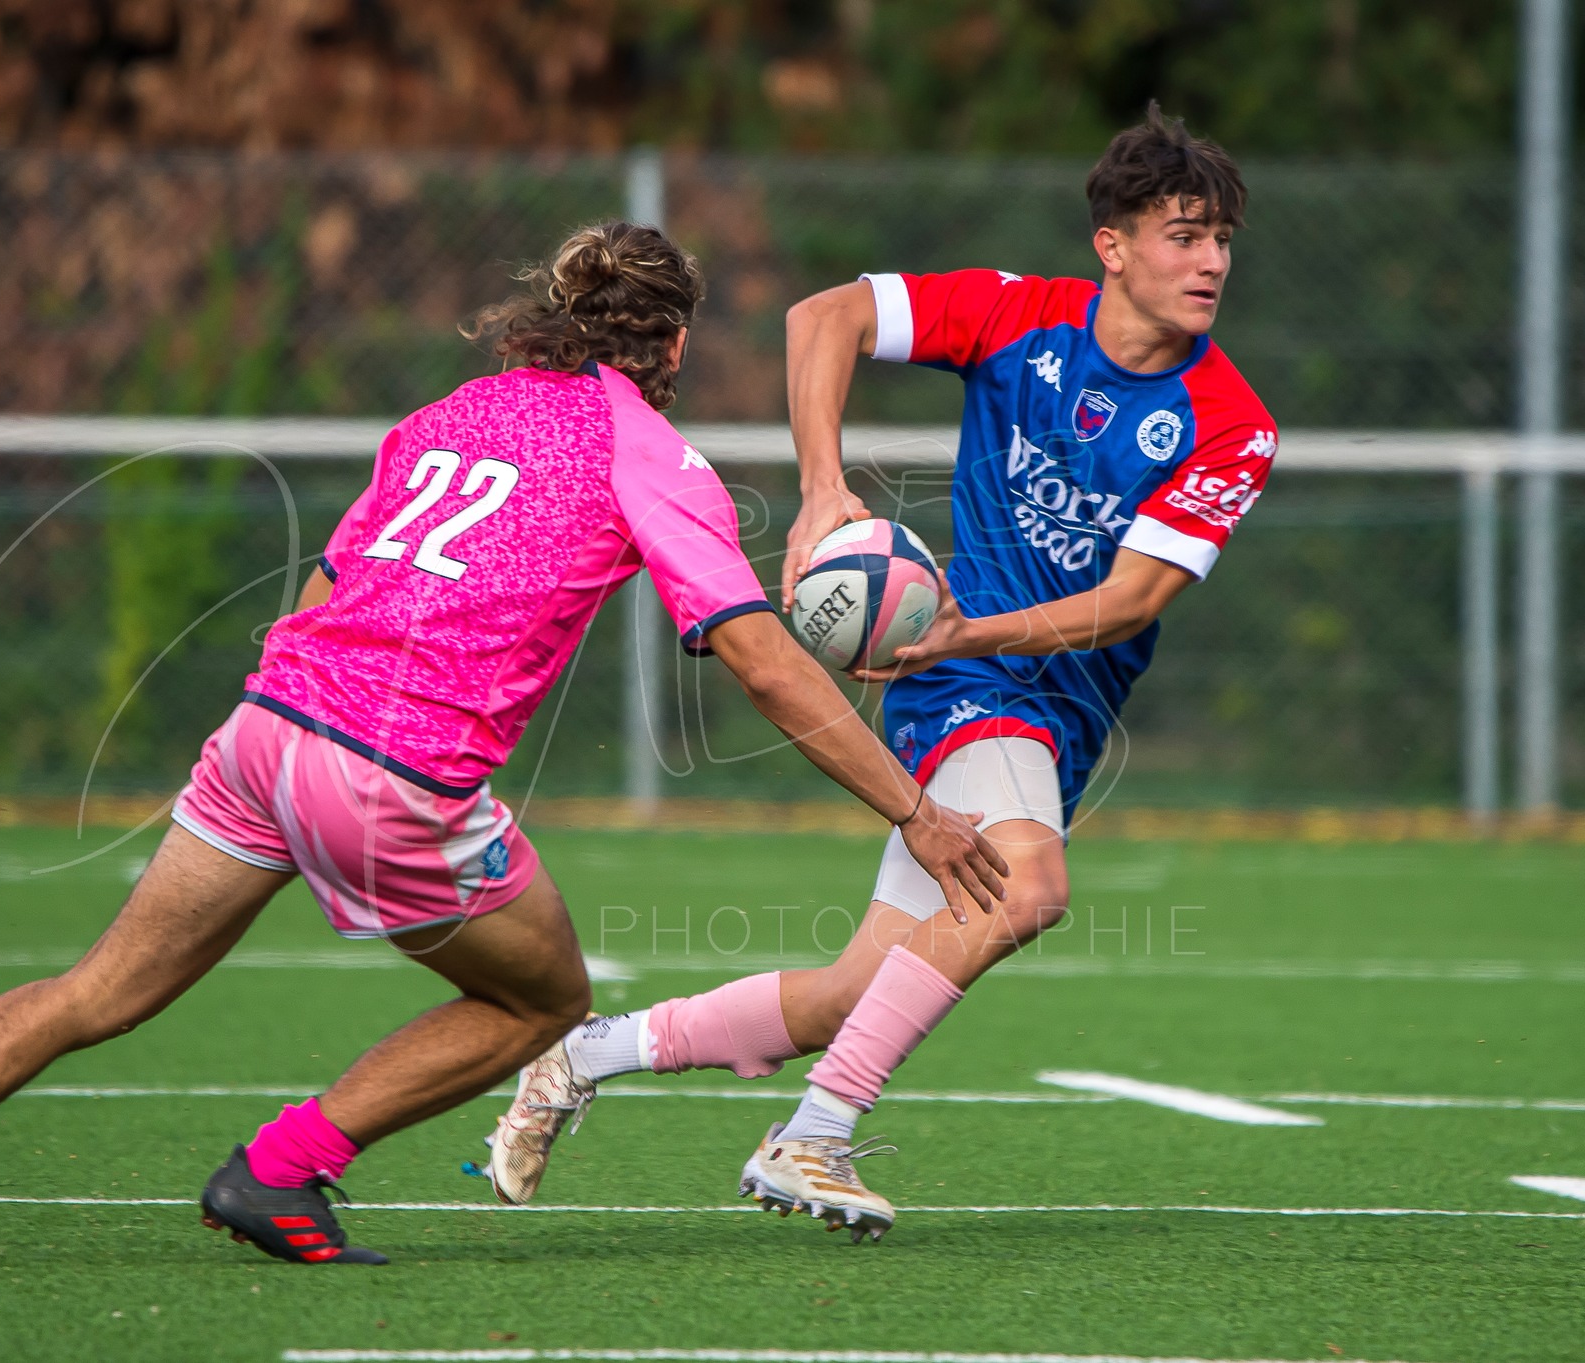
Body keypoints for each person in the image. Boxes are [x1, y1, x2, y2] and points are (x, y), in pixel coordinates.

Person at [0, 222, 1006, 1268]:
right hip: (393, 770)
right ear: (667, 339)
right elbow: (762, 652)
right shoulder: (652, 452)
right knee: (540, 1001)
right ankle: (280, 1168)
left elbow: (326, 589)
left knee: (98, 987)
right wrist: (917, 810)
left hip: (267, 726)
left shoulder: (446, 415)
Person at [484, 105, 1279, 1243]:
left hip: (1020, 684)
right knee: (1028, 885)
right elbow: (828, 315)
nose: (1208, 262)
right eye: (1180, 235)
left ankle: (579, 1056)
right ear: (1110, 245)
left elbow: (1132, 601)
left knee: (848, 993)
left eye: (1219, 241)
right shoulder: (1019, 317)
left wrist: (963, 635)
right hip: (967, 691)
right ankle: (812, 1133)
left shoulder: (1228, 422)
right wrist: (820, 487)